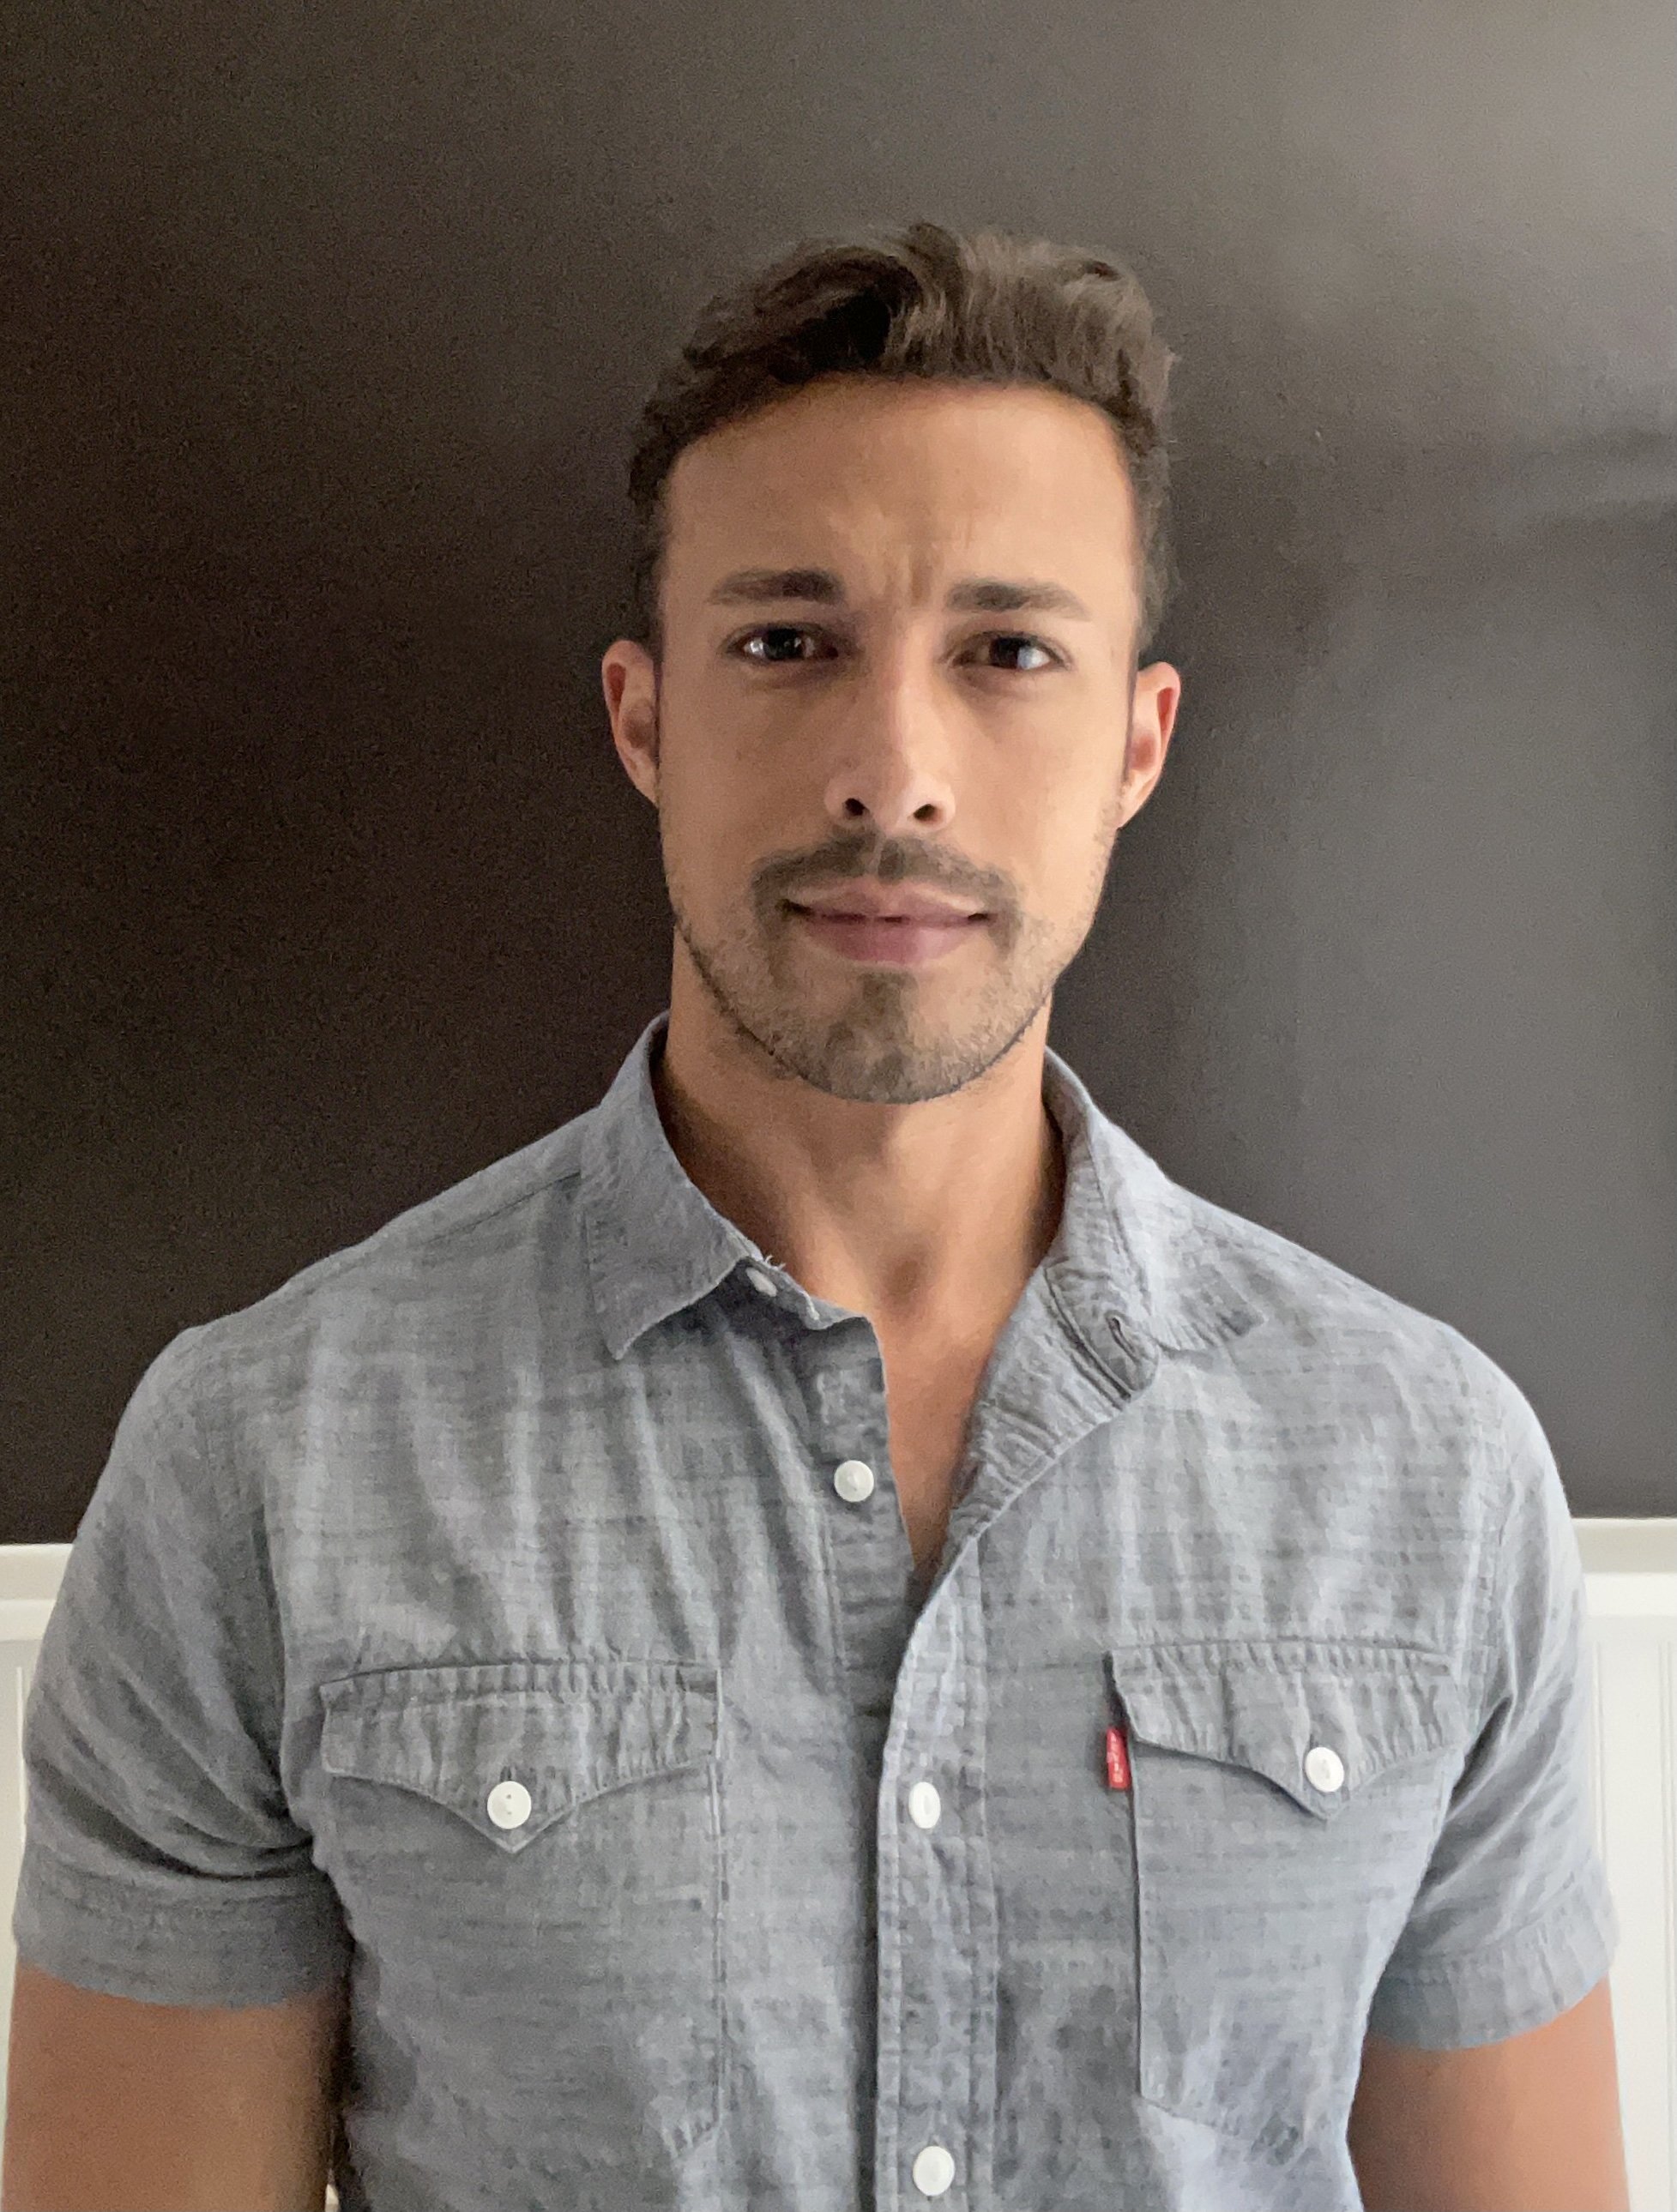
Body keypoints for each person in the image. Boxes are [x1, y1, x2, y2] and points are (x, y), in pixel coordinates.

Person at [3, 220, 1628, 2212]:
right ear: (643, 719)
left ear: (1137, 743)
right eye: (788, 643)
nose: (895, 773)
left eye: (1007, 654)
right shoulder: (262, 1474)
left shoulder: (1429, 1482)